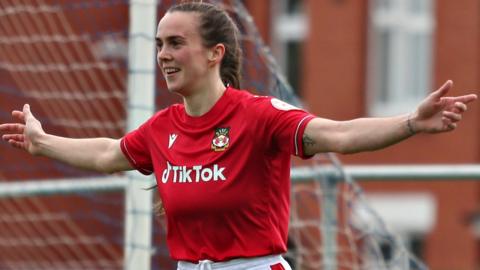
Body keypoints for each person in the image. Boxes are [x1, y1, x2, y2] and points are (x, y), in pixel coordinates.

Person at [0, 2, 477, 270]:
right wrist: (42, 142)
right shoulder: (162, 128)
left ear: (214, 54)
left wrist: (410, 122)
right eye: (160, 43)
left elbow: (339, 133)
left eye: (176, 43)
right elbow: (108, 154)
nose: (163, 54)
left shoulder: (260, 116)